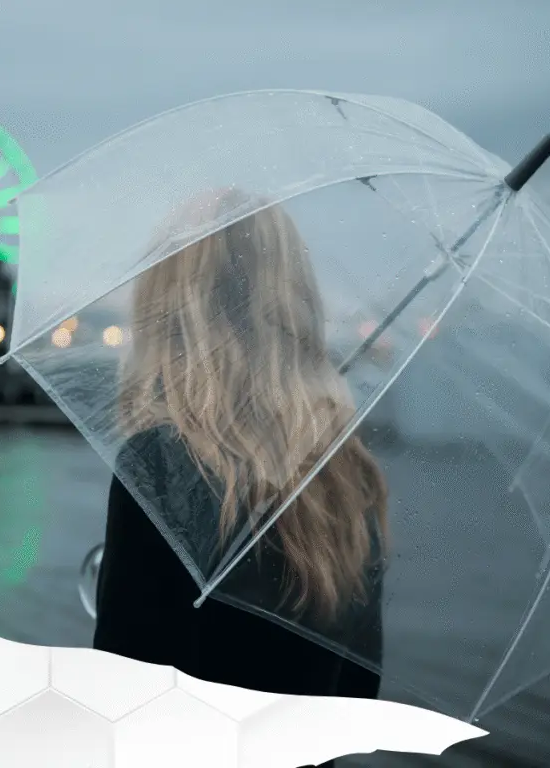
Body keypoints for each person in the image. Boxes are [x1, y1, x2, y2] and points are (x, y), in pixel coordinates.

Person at [93, 192, 389, 760]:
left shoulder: (160, 460)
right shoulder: (346, 472)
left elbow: (123, 701)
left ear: (173, 305)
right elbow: (358, 687)